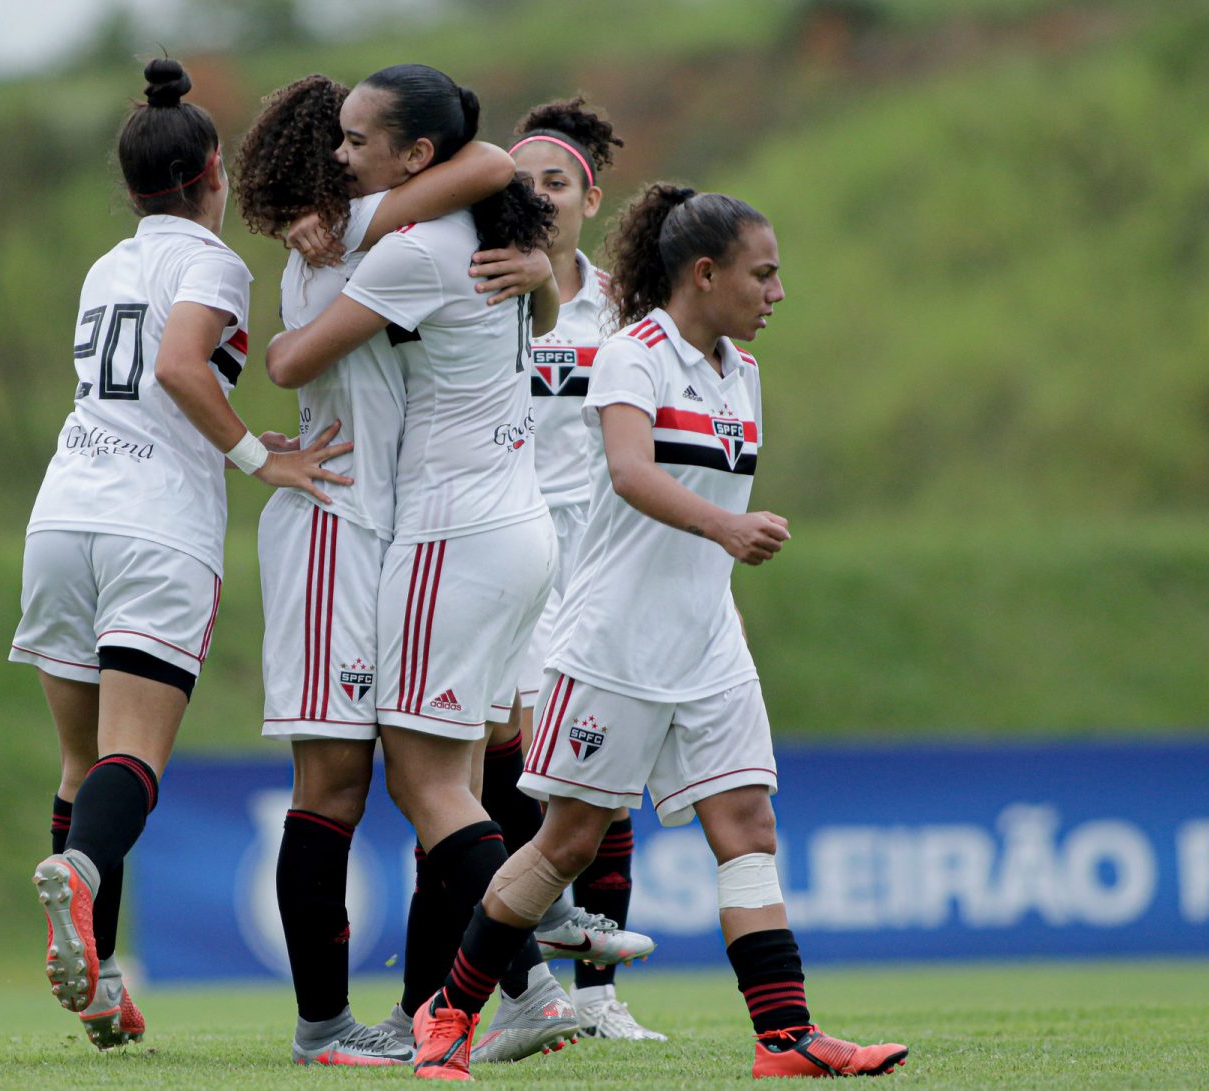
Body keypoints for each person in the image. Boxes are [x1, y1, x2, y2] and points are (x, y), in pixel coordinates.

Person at [410, 186, 911, 1081]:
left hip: (709, 643)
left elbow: (705, 503)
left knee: (748, 826)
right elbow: (630, 473)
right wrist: (726, 531)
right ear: (705, 274)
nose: (778, 292)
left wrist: (721, 570)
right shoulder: (630, 355)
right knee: (566, 841)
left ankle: (786, 1038)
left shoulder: (742, 374)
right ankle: (449, 1012)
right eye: (764, 273)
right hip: (611, 643)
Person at [9, 58, 351, 1049]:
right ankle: (78, 875)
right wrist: (257, 457)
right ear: (213, 172)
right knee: (133, 760)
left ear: (131, 184)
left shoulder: (106, 266)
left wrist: (250, 435)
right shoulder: (212, 264)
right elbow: (178, 362)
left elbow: (153, 369)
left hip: (62, 513)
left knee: (81, 762)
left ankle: (104, 983)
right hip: (155, 525)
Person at [265, 63, 581, 1072]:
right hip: (513, 524)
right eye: (338, 140)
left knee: (426, 782)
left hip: (450, 532)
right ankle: (473, 991)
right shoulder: (495, 236)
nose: (342, 158)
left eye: (360, 141)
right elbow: (507, 225)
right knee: (459, 775)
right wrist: (538, 275)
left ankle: (514, 981)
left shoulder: (405, 252)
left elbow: (289, 361)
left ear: (417, 157)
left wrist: (300, 279)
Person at [487, 95, 664, 1042]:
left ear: (590, 199)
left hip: (598, 559)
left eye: (556, 183)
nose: (539, 199)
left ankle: (596, 998)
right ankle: (519, 987)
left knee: (603, 773)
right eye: (521, 184)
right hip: (503, 545)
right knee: (512, 775)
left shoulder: (625, 310)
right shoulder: (478, 288)